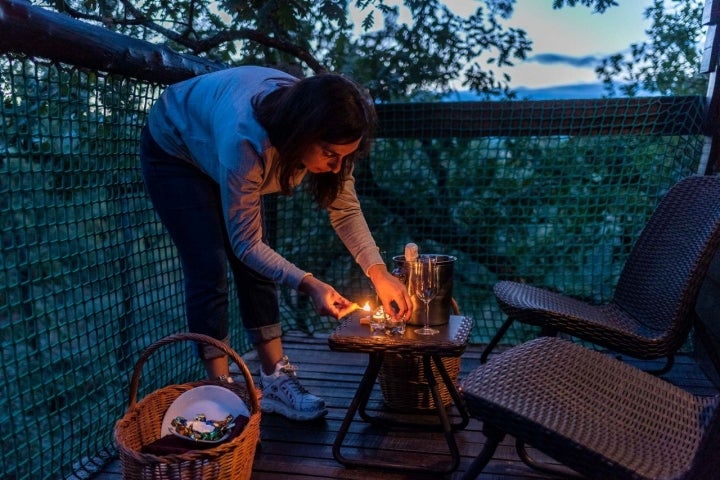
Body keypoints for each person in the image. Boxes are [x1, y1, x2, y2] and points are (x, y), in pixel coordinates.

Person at [139, 65, 413, 421]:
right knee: (209, 265)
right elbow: (245, 244)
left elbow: (345, 211)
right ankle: (221, 389)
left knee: (257, 262)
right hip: (176, 146)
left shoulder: (328, 125)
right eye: (331, 154)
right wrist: (309, 283)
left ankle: (275, 380)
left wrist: (379, 274)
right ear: (303, 133)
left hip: (217, 139)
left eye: (346, 157)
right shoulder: (247, 140)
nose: (336, 167)